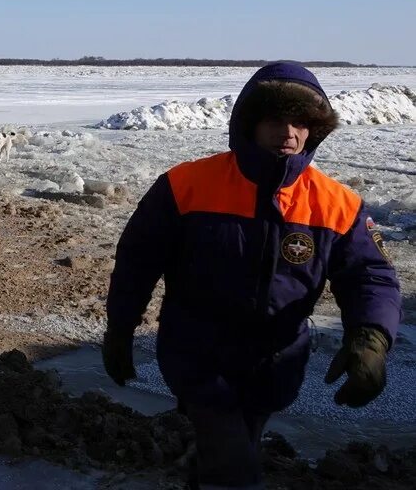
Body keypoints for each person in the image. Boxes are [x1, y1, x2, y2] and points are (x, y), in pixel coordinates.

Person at [103, 62, 401, 489]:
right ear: (249, 123)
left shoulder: (337, 204)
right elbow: (138, 260)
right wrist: (120, 327)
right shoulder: (186, 185)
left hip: (276, 361)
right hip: (197, 353)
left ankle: (202, 472)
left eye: (301, 122)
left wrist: (371, 337)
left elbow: (369, 275)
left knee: (239, 439)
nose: (289, 132)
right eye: (276, 119)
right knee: (235, 469)